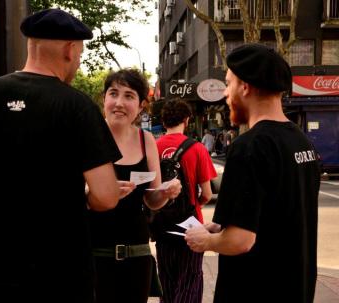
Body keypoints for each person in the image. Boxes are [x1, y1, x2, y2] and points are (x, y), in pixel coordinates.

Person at [0, 9, 122, 303]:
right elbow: (106, 196)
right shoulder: (77, 107)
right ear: (70, 49)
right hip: (62, 277)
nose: (78, 61)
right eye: (79, 53)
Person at [185, 44, 321, 303]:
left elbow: (240, 241)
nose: (225, 93)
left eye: (228, 83)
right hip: (295, 287)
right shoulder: (301, 141)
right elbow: (277, 212)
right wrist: (220, 226)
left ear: (244, 87)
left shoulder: (249, 146)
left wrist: (204, 240)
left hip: (255, 290)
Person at [89, 68, 181, 303]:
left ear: (141, 106)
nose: (119, 102)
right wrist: (96, 193)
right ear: (104, 99)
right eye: (113, 93)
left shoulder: (146, 140)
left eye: (129, 96)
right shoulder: (87, 136)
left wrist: (166, 192)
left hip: (137, 253)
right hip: (93, 253)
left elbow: (152, 199)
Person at [155, 99, 217, 303]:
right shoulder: (197, 149)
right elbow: (207, 193)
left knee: (167, 283)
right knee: (189, 283)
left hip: (162, 225)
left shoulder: (152, 148)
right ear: (187, 120)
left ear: (164, 122)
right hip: (191, 228)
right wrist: (194, 204)